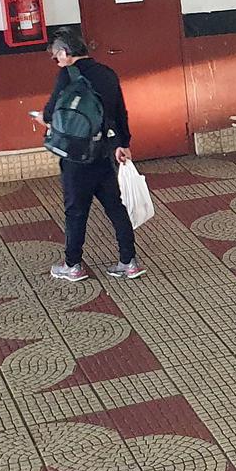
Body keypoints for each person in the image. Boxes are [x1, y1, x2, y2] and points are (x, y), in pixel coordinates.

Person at [42, 31, 145, 283]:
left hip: (76, 156)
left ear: (65, 53)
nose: (57, 62)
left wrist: (43, 119)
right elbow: (120, 112)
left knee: (76, 211)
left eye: (56, 57)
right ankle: (128, 262)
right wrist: (124, 144)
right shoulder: (107, 73)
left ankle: (73, 265)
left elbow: (50, 111)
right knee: (115, 207)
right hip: (103, 153)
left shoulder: (67, 75)